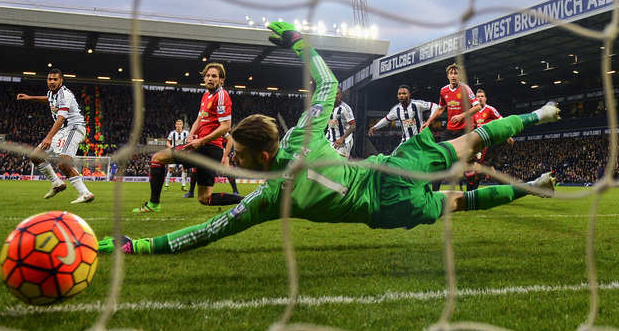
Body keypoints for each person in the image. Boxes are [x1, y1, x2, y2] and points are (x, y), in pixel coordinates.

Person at [98, 22, 560, 256]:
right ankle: (540, 114)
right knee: (473, 140)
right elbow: (326, 83)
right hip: (393, 169)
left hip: (385, 209)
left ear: (260, 156)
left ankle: (529, 188)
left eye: (237, 154)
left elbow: (205, 232)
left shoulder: (269, 198)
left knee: (459, 203)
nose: (232, 161)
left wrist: (137, 246)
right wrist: (299, 40)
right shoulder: (302, 135)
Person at [133, 62, 242, 212]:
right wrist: (190, 135)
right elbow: (199, 119)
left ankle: (154, 204)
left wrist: (201, 140)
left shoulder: (222, 96)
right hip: (206, 148)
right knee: (205, 198)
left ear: (221, 80)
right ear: (204, 78)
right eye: (208, 76)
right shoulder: (206, 95)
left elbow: (226, 126)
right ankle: (246, 200)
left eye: (214, 76)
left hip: (207, 147)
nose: (210, 78)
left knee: (157, 158)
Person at [16, 68, 94, 203]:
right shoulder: (52, 93)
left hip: (73, 128)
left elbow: (61, 118)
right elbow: (48, 99)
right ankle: (57, 183)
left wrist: (49, 137)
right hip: (62, 131)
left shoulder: (65, 95)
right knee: (35, 156)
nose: (52, 82)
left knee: (63, 163)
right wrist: (30, 98)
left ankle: (85, 193)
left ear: (61, 81)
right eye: (49, 79)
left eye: (55, 79)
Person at [421, 63, 481, 190]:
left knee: (467, 160)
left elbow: (477, 106)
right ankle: (435, 192)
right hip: (450, 129)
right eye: (451, 73)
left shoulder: (466, 89)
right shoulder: (444, 90)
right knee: (440, 157)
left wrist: (461, 116)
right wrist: (429, 121)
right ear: (447, 76)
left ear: (459, 76)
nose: (453, 76)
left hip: (465, 128)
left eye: (456, 73)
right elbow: (440, 109)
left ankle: (471, 191)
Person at [465, 88, 514, 191]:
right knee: (490, 170)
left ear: (485, 98)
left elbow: (502, 121)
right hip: (480, 144)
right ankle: (509, 185)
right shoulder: (474, 113)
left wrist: (508, 135)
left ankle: (470, 192)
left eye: (482, 96)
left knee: (477, 166)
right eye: (478, 97)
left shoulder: (490, 109)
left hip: (490, 143)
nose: (480, 98)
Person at [368, 84, 438, 149]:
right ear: (397, 96)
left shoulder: (417, 104)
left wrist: (429, 121)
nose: (401, 95)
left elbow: (435, 106)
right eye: (399, 94)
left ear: (409, 94)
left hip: (420, 139)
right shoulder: (396, 109)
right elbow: (386, 120)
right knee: (394, 158)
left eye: (404, 93)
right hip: (406, 140)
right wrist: (374, 127)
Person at [325, 89, 356, 158]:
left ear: (341, 95)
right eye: (333, 94)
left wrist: (342, 139)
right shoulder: (327, 106)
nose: (335, 96)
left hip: (343, 142)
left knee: (339, 166)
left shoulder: (345, 108)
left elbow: (353, 126)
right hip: (329, 140)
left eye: (337, 94)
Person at [164, 119, 188, 191]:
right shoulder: (172, 133)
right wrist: (171, 147)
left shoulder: (186, 133)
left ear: (182, 125)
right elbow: (167, 142)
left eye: (180, 124)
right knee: (171, 169)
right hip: (174, 153)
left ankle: (183, 186)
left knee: (184, 169)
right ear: (175, 125)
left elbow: (189, 140)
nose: (179, 125)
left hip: (183, 154)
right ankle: (166, 185)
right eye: (177, 124)